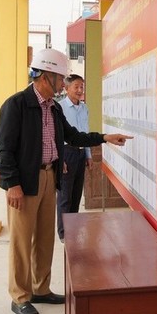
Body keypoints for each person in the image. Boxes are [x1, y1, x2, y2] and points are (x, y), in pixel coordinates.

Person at [0, 49, 132, 314]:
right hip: (24, 181)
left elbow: (74, 136)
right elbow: (4, 149)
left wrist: (105, 137)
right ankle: (20, 296)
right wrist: (12, 184)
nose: (62, 84)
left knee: (46, 236)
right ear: (45, 77)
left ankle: (40, 288)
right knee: (22, 241)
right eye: (60, 79)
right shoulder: (16, 105)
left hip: (49, 177)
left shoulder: (54, 108)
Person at [56, 74, 91, 241]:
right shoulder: (59, 108)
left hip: (80, 153)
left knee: (77, 194)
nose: (79, 90)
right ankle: (63, 233)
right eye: (76, 87)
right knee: (65, 196)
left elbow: (86, 131)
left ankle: (73, 227)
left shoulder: (84, 108)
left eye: (82, 87)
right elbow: (57, 135)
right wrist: (60, 158)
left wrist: (88, 154)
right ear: (66, 88)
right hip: (66, 153)